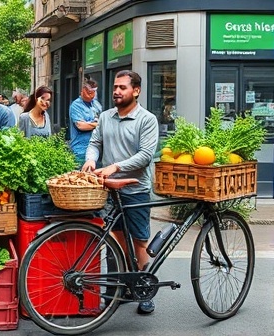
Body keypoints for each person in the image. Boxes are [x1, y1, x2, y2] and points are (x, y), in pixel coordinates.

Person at [81, 70, 159, 314]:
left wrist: (116, 166)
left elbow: (145, 155)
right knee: (115, 238)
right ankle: (119, 286)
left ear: (136, 91)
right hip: (109, 188)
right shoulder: (105, 117)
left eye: (122, 87)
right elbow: (95, 143)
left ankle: (143, 289)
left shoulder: (147, 120)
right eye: (115, 87)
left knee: (139, 239)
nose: (116, 91)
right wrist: (91, 160)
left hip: (136, 189)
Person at [69, 78, 103, 164]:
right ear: (83, 90)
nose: (91, 95)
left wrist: (91, 124)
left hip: (97, 150)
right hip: (81, 151)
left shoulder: (96, 105)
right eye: (89, 92)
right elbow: (81, 126)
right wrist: (97, 124)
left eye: (93, 93)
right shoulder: (76, 105)